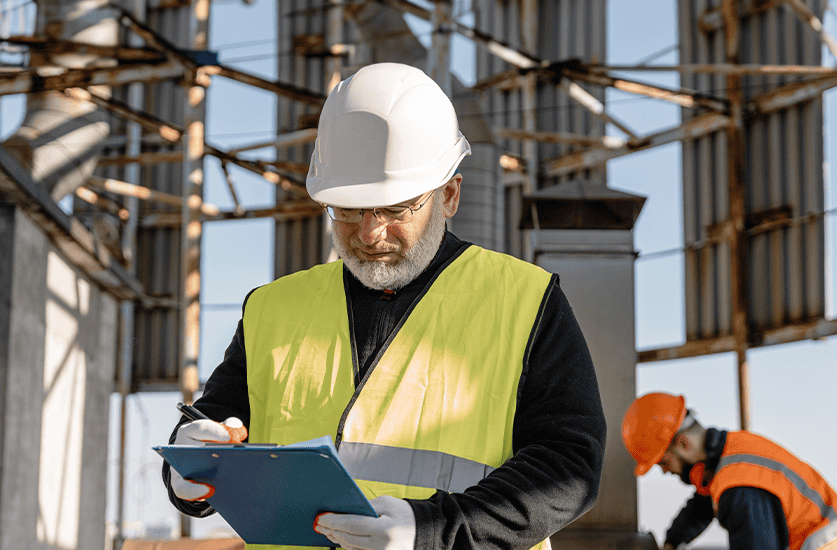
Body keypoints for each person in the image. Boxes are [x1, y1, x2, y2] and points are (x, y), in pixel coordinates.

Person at [162, 62, 606, 550]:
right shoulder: (272, 310)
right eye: (349, 209)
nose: (370, 234)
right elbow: (214, 430)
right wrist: (188, 469)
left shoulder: (527, 303)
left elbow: (568, 467)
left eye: (396, 210)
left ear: (450, 195)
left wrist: (434, 530)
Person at [622, 392, 837, 550]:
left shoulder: (739, 487)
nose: (665, 472)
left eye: (663, 463)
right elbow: (701, 506)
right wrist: (671, 542)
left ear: (683, 444)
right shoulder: (728, 455)